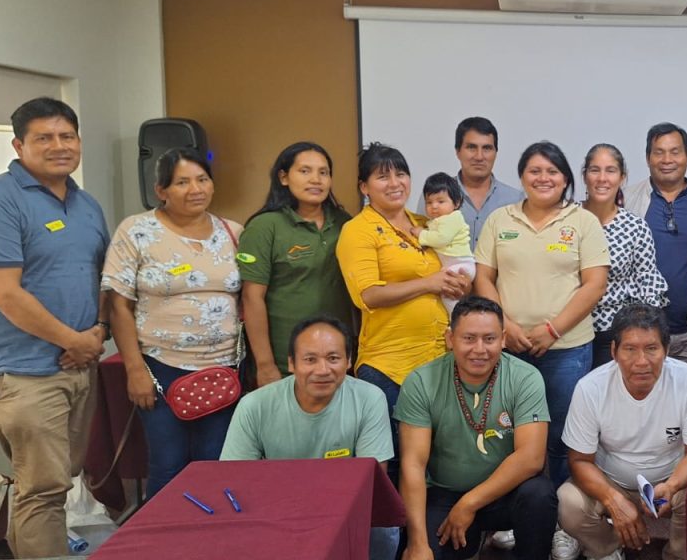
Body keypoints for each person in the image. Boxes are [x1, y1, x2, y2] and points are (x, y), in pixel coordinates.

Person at [0, 97, 109, 558]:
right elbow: (4, 294)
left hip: (77, 363)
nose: (59, 146)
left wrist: (98, 331)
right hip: (22, 371)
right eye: (44, 138)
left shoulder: (86, 204)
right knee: (42, 491)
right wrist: (75, 341)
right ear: (18, 145)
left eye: (66, 136)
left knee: (58, 480)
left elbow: (102, 279)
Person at [102, 147, 244, 498]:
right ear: (161, 190)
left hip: (224, 367)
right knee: (169, 463)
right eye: (182, 182)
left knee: (216, 462)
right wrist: (135, 369)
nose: (195, 189)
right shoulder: (136, 231)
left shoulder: (233, 232)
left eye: (202, 179)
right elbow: (118, 305)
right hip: (160, 368)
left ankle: (211, 543)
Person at [474, 141, 610, 491]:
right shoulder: (500, 219)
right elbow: (483, 278)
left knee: (565, 437)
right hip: (507, 347)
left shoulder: (583, 221)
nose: (543, 178)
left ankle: (564, 521)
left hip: (567, 349)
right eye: (535, 171)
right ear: (522, 176)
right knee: (504, 431)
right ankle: (511, 514)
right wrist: (505, 325)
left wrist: (553, 329)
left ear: (565, 179)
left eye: (552, 171)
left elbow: (595, 284)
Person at [337, 143, 472, 482]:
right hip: (389, 368)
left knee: (439, 462)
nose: (395, 182)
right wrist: (430, 283)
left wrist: (456, 285)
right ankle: (399, 537)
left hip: (438, 363)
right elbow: (368, 294)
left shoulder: (424, 223)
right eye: (383, 176)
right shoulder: (358, 230)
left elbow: (449, 273)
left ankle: (433, 534)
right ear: (364, 187)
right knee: (397, 466)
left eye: (401, 174)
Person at [220, 315, 399, 560]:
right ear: (292, 363)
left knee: (382, 528)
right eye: (310, 359)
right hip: (277, 508)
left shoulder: (370, 399)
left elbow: (371, 481)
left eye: (333, 358)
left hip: (345, 506)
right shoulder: (254, 406)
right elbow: (235, 480)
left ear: (349, 361)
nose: (322, 370)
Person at [397, 297, 555, 560]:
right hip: (444, 493)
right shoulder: (421, 381)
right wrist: (417, 543)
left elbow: (532, 458)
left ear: (503, 339)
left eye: (489, 339)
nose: (479, 349)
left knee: (539, 495)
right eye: (469, 338)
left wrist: (469, 503)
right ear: (450, 338)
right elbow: (413, 463)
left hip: (505, 493)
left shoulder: (525, 377)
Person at [557, 304, 687, 560]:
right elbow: (579, 460)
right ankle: (608, 548)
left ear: (666, 350)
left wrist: (672, 486)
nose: (641, 361)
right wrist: (612, 499)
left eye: (651, 348)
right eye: (630, 349)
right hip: (611, 480)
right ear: (614, 352)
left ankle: (678, 554)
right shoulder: (590, 388)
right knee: (569, 503)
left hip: (670, 480)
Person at [239, 141, 354, 387]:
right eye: (305, 171)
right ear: (283, 177)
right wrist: (265, 365)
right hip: (285, 363)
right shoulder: (264, 226)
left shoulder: (346, 224)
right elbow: (251, 298)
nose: (316, 179)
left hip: (337, 361)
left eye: (323, 172)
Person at [623, 123, 687, 366]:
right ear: (647, 158)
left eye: (675, 152)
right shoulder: (625, 199)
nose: (667, 159)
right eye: (659, 152)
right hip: (640, 334)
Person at [581, 143, 668, 370]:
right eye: (594, 170)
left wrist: (639, 336)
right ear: (584, 176)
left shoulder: (635, 227)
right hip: (569, 331)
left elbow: (648, 283)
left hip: (616, 334)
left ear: (622, 178)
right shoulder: (568, 219)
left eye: (610, 171)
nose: (602, 178)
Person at [454, 117, 523, 251]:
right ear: (458, 151)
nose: (479, 157)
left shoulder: (515, 201)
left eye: (487, 148)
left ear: (495, 153)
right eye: (471, 147)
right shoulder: (436, 195)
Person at [419, 172, 476, 315]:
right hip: (454, 263)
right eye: (429, 202)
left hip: (461, 264)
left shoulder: (453, 218)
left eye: (440, 201)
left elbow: (441, 239)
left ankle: (456, 320)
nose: (434, 206)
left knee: (447, 293)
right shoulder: (437, 221)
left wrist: (420, 234)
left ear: (456, 203)